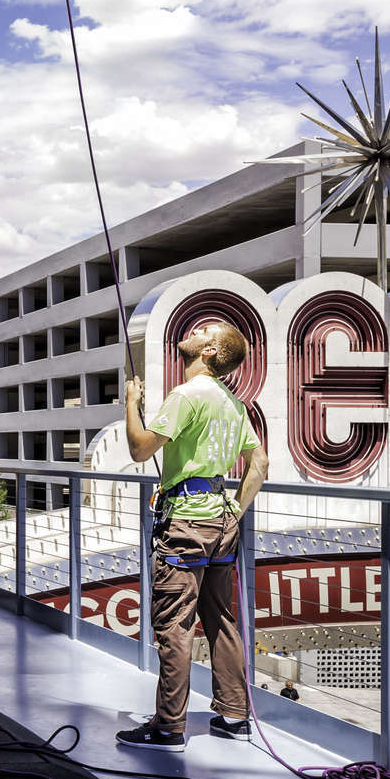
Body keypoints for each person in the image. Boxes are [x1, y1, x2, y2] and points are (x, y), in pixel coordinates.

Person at [118, 316, 268, 750]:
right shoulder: (232, 402)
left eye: (206, 331)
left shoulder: (186, 395)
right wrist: (233, 512)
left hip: (185, 524)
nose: (196, 329)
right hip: (221, 520)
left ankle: (168, 727)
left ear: (208, 353)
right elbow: (259, 465)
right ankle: (234, 716)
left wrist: (131, 402)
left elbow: (140, 448)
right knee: (221, 619)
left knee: (175, 625)